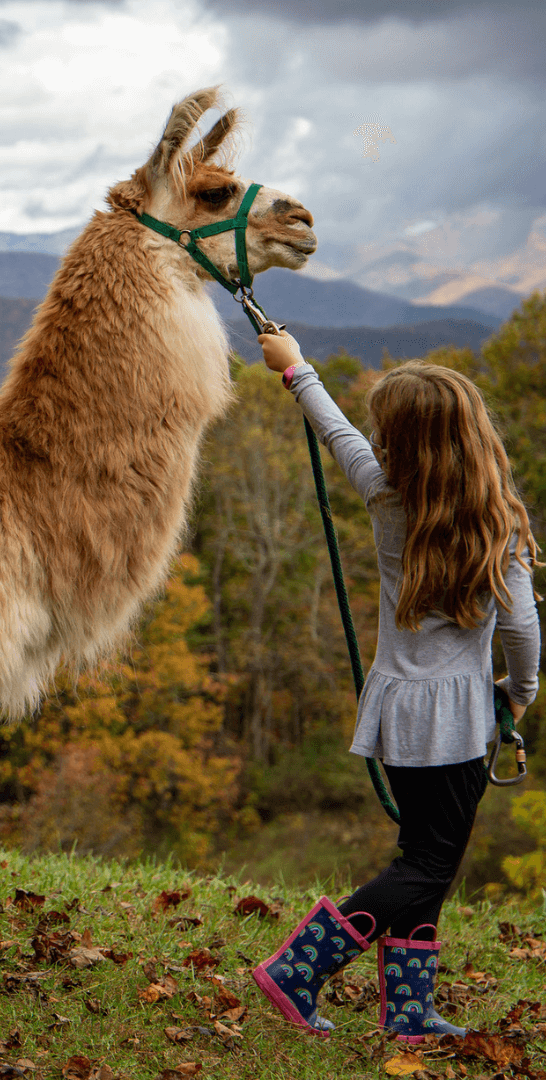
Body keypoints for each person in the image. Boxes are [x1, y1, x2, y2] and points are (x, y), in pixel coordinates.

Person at [250, 330, 541, 1042]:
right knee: (428, 865)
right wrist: (520, 693)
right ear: (474, 435)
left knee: (423, 859)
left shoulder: (384, 496)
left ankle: (409, 1013)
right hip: (457, 722)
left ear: (400, 444)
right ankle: (299, 969)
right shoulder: (496, 528)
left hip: (396, 710)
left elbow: (334, 428)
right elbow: (524, 634)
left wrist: (294, 368)